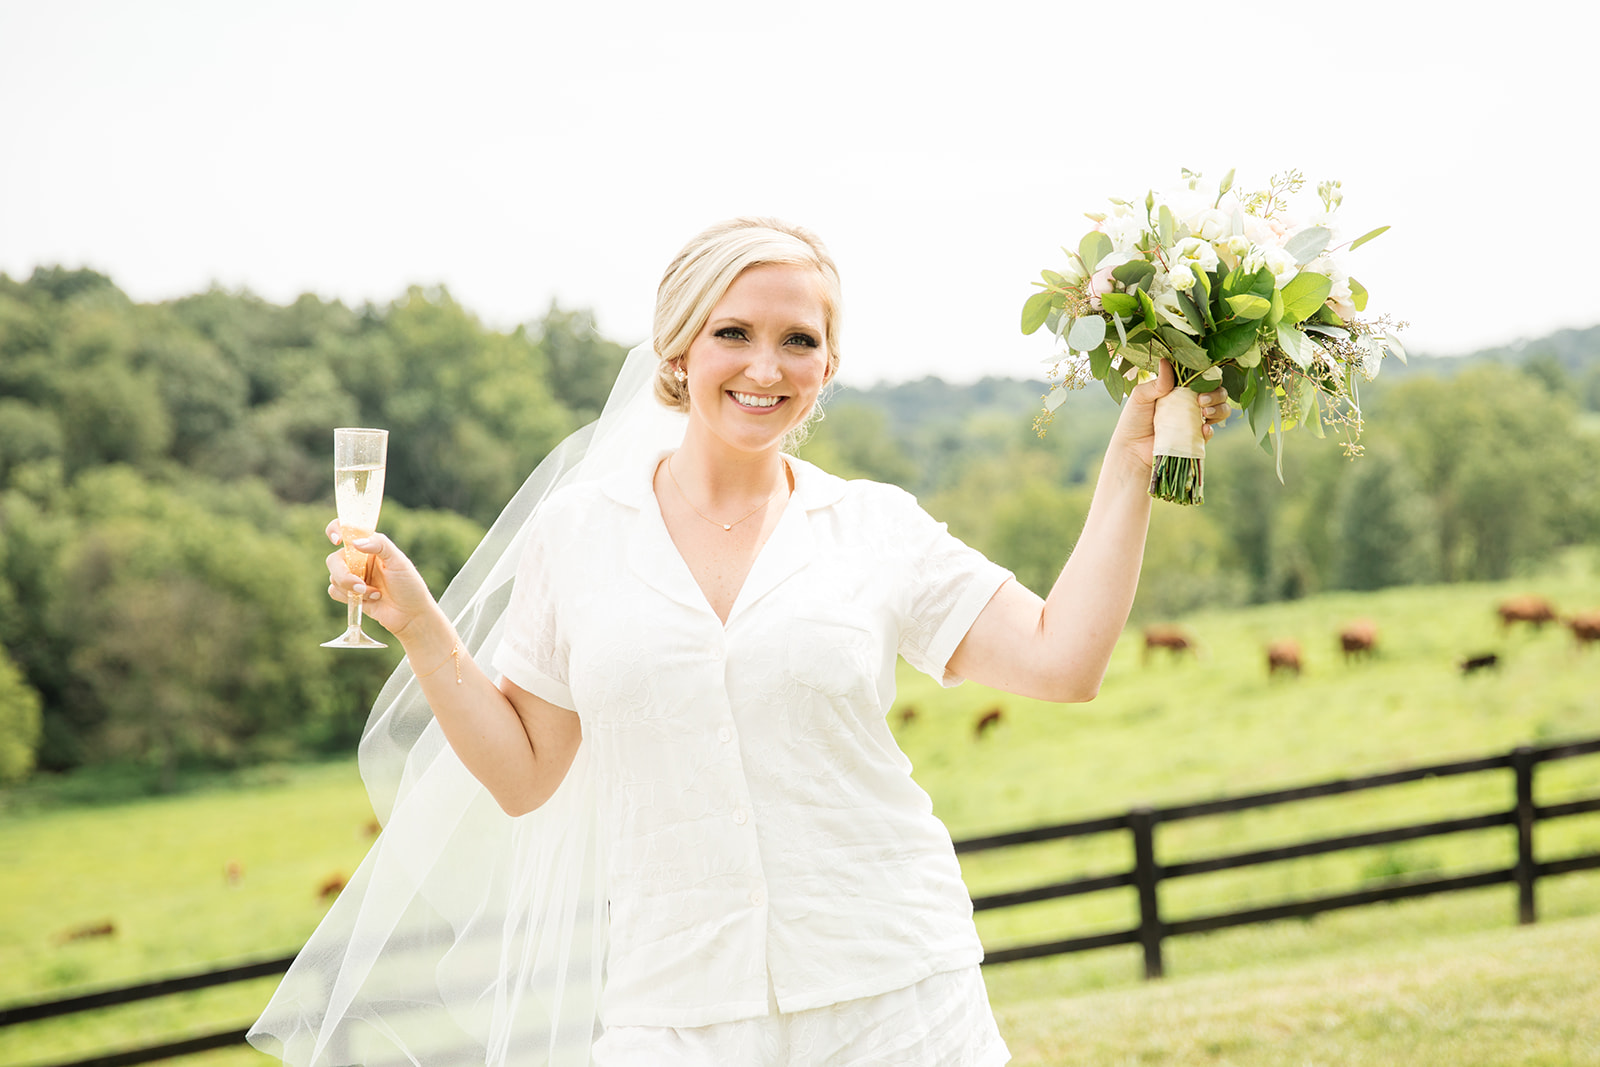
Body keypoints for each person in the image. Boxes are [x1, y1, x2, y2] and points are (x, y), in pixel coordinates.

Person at [249, 217, 1228, 1066]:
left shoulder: (876, 527)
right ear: (677, 349)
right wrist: (421, 626)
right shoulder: (577, 535)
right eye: (733, 333)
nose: (765, 366)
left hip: (890, 992)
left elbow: (1064, 660)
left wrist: (1131, 462)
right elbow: (524, 774)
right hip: (673, 1007)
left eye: (797, 339)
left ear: (828, 366)